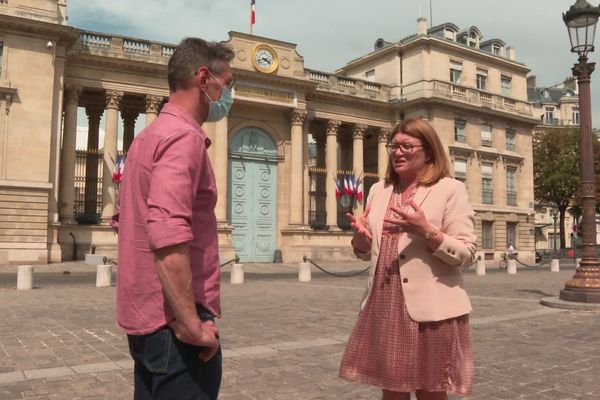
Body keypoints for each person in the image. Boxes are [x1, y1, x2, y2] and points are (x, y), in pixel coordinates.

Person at [114, 37, 235, 399]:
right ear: (204, 78)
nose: (228, 95)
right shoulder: (183, 138)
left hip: (145, 318)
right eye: (227, 85)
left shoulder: (148, 137)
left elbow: (128, 222)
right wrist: (191, 323)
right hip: (174, 325)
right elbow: (168, 234)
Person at [339, 118, 476, 400]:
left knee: (431, 393)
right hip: (385, 304)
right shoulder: (379, 190)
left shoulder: (450, 189)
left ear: (428, 152)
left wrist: (428, 231)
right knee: (391, 393)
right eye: (394, 146)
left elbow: (467, 254)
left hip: (432, 310)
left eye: (406, 146)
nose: (397, 152)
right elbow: (366, 250)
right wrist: (361, 240)